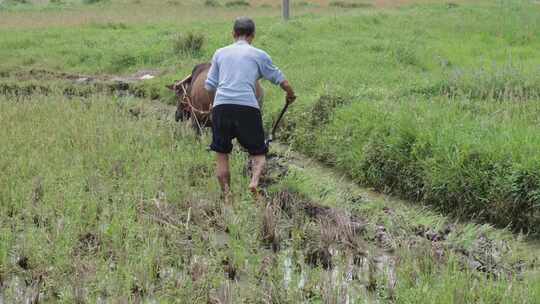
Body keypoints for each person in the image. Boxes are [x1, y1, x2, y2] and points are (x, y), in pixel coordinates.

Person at [204, 16, 296, 199]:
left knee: (222, 154)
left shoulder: (220, 53)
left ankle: (228, 196)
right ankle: (254, 182)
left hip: (222, 106)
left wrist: (214, 106)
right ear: (252, 35)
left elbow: (209, 86)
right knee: (259, 152)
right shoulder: (259, 55)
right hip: (248, 108)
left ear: (233, 34)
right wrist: (290, 94)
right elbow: (282, 80)